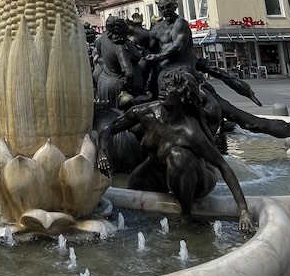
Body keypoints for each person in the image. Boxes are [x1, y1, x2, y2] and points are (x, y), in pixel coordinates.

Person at [98, 70, 255, 233]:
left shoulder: (190, 131)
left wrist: (243, 210)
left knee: (177, 157)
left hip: (198, 179)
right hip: (160, 171)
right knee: (136, 181)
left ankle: (186, 216)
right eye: (164, 85)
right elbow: (108, 130)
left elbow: (223, 166)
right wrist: (102, 153)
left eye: (170, 87)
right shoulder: (146, 112)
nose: (163, 89)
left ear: (182, 96)